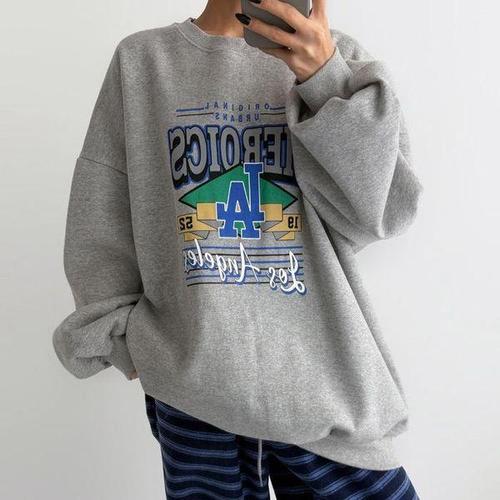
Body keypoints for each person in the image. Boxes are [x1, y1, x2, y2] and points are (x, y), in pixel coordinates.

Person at [52, 0, 422, 498]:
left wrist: (326, 79)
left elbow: (385, 212)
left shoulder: (339, 60)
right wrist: (124, 338)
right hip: (194, 387)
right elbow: (102, 210)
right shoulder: (143, 62)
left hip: (325, 387)